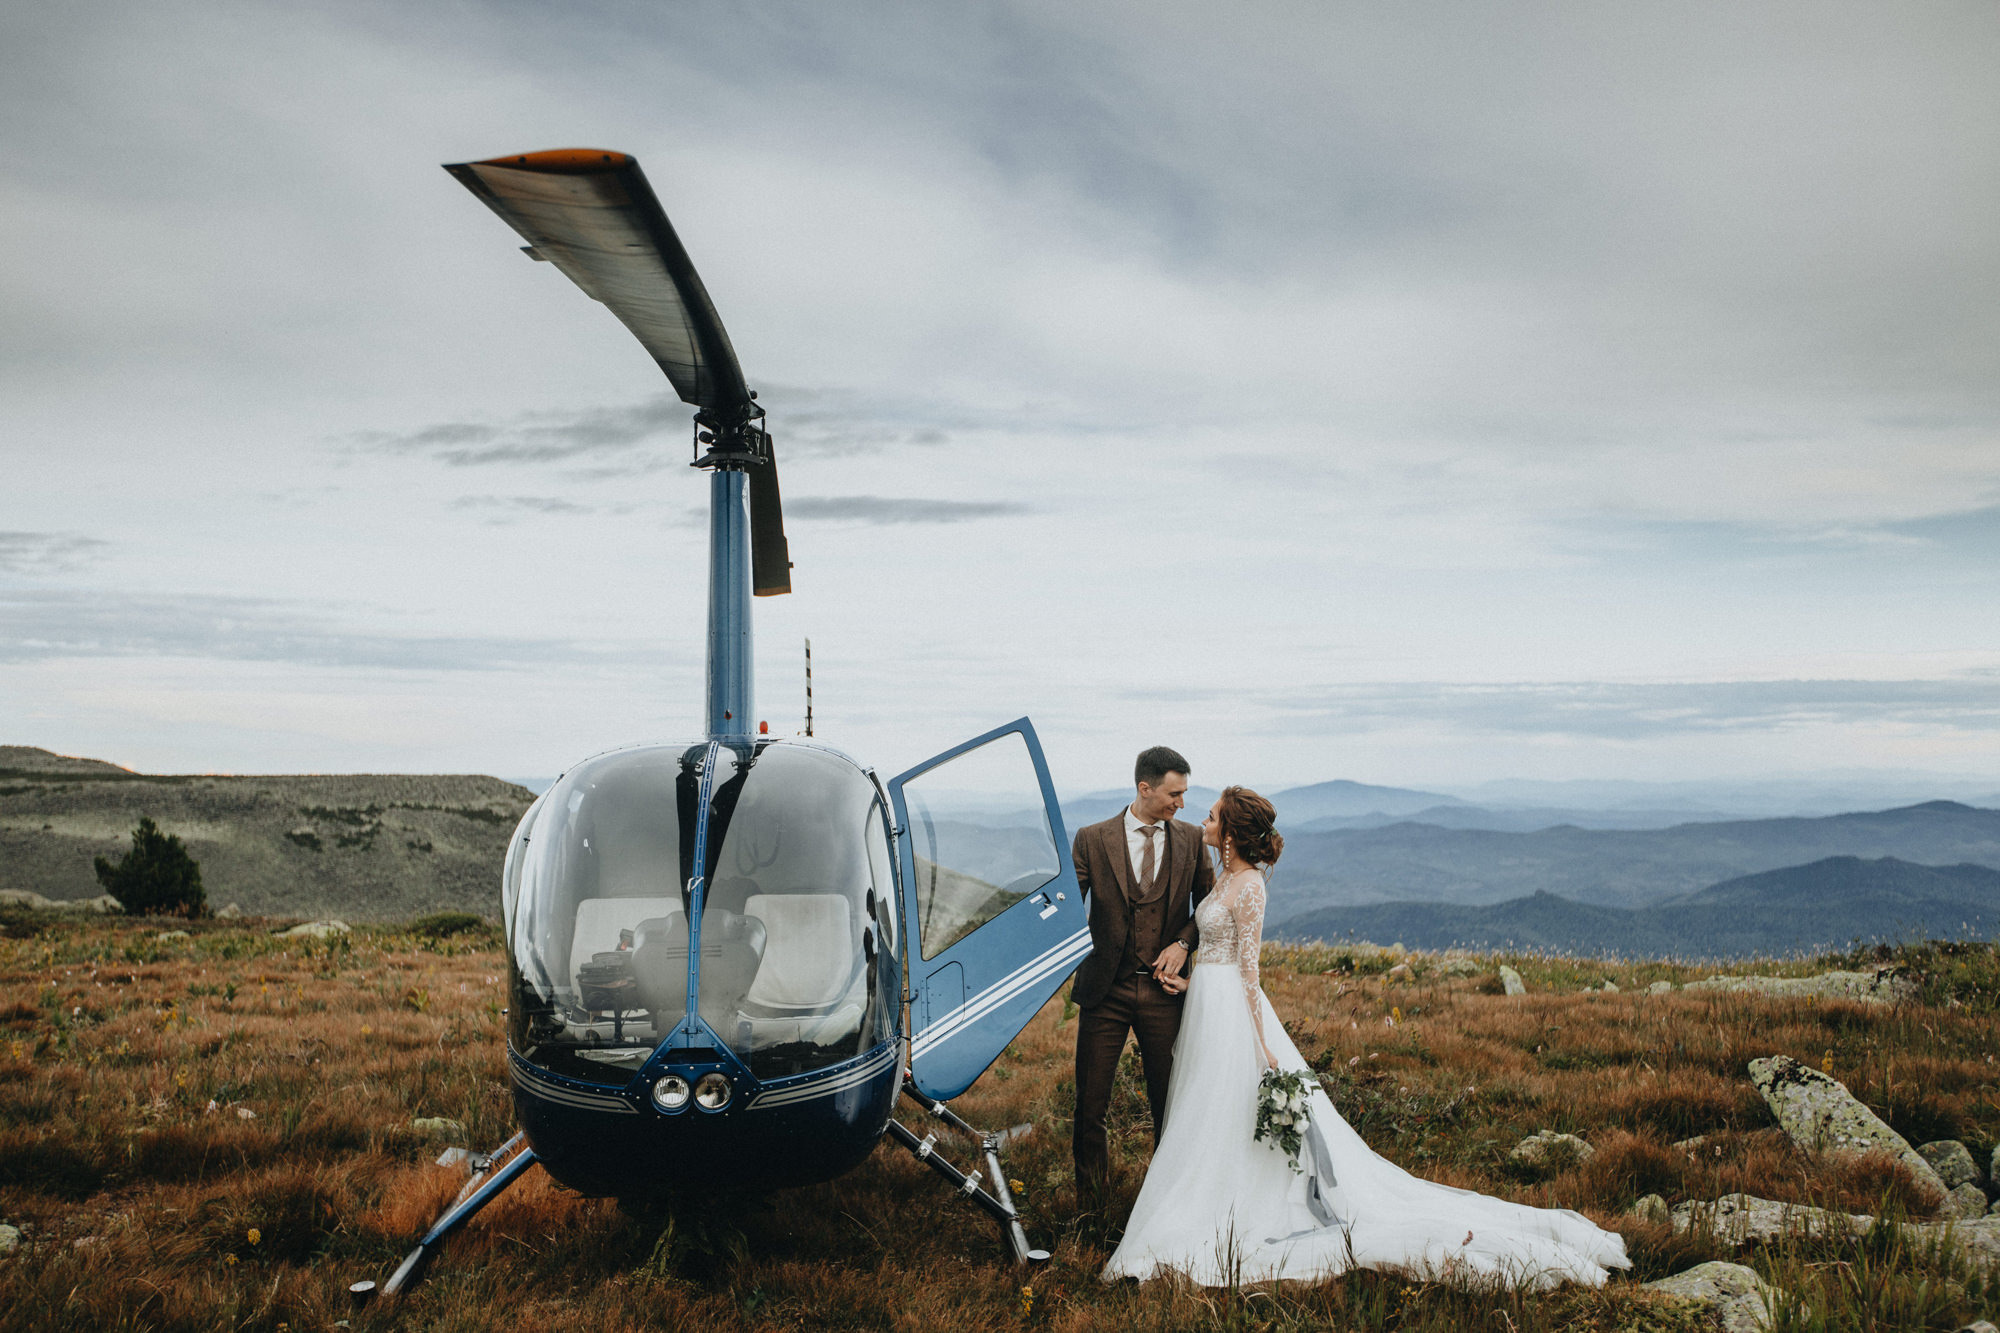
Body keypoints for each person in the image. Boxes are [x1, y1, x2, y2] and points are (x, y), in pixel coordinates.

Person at [1102, 786, 1631, 1289]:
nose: (1204, 821)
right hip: (1206, 1007)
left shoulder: (1251, 886)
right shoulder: (1222, 879)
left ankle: (1224, 1210)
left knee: (1227, 1109)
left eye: (1213, 816)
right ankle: (1204, 1198)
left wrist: (1261, 1045)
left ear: (1234, 835)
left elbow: (1249, 973)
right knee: (1206, 1111)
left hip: (1234, 1016)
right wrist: (1189, 981)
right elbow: (1216, 954)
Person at [1069, 746, 1215, 1206]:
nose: (1182, 804)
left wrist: (1183, 943)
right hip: (1104, 991)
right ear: (1144, 788)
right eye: (1174, 793)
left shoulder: (1191, 839)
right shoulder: (1092, 839)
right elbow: (1071, 910)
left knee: (1168, 1105)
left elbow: (1209, 909)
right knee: (1090, 1106)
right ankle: (1093, 1207)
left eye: (1185, 794)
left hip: (1165, 992)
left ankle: (1167, 1205)